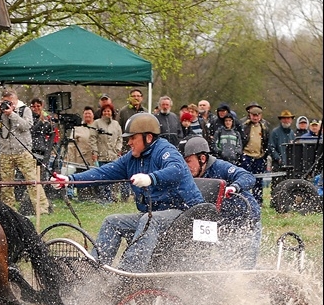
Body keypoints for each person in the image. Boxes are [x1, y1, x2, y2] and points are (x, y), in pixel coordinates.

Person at [50, 113, 205, 272]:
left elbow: (178, 170)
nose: (128, 142)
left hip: (186, 214)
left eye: (133, 138)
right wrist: (69, 179)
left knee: (149, 220)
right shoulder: (131, 158)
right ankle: (95, 271)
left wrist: (151, 178)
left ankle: (127, 276)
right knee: (113, 221)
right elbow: (103, 173)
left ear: (148, 138)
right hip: (155, 214)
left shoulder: (164, 150)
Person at [179, 136, 262, 269]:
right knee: (216, 264)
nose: (185, 167)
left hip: (245, 221)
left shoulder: (220, 167)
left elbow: (248, 176)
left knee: (242, 267)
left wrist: (234, 187)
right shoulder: (187, 176)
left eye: (188, 161)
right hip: (219, 224)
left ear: (202, 158)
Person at [0, 89, 50, 216]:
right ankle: (9, 211)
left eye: (10, 102)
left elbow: (26, 126)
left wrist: (12, 114)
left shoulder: (25, 110)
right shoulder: (0, 111)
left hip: (23, 151)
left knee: (32, 181)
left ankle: (42, 209)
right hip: (5, 151)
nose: (8, 105)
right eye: (5, 102)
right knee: (6, 185)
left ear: (15, 101)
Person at [89, 105, 123, 202]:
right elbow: (93, 138)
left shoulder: (116, 124)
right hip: (101, 155)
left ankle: (111, 197)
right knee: (102, 176)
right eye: (104, 111)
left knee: (112, 177)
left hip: (113, 155)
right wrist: (94, 151)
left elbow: (120, 138)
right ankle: (102, 197)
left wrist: (117, 149)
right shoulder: (96, 123)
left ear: (112, 112)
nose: (106, 113)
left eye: (108, 111)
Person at [240, 103, 271, 205]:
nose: (255, 117)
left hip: (259, 156)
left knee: (258, 181)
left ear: (260, 116)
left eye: (257, 115)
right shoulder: (244, 125)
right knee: (246, 179)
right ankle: (246, 200)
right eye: (254, 115)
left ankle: (258, 201)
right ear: (250, 115)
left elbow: (266, 141)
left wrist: (265, 153)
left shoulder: (264, 126)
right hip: (246, 155)